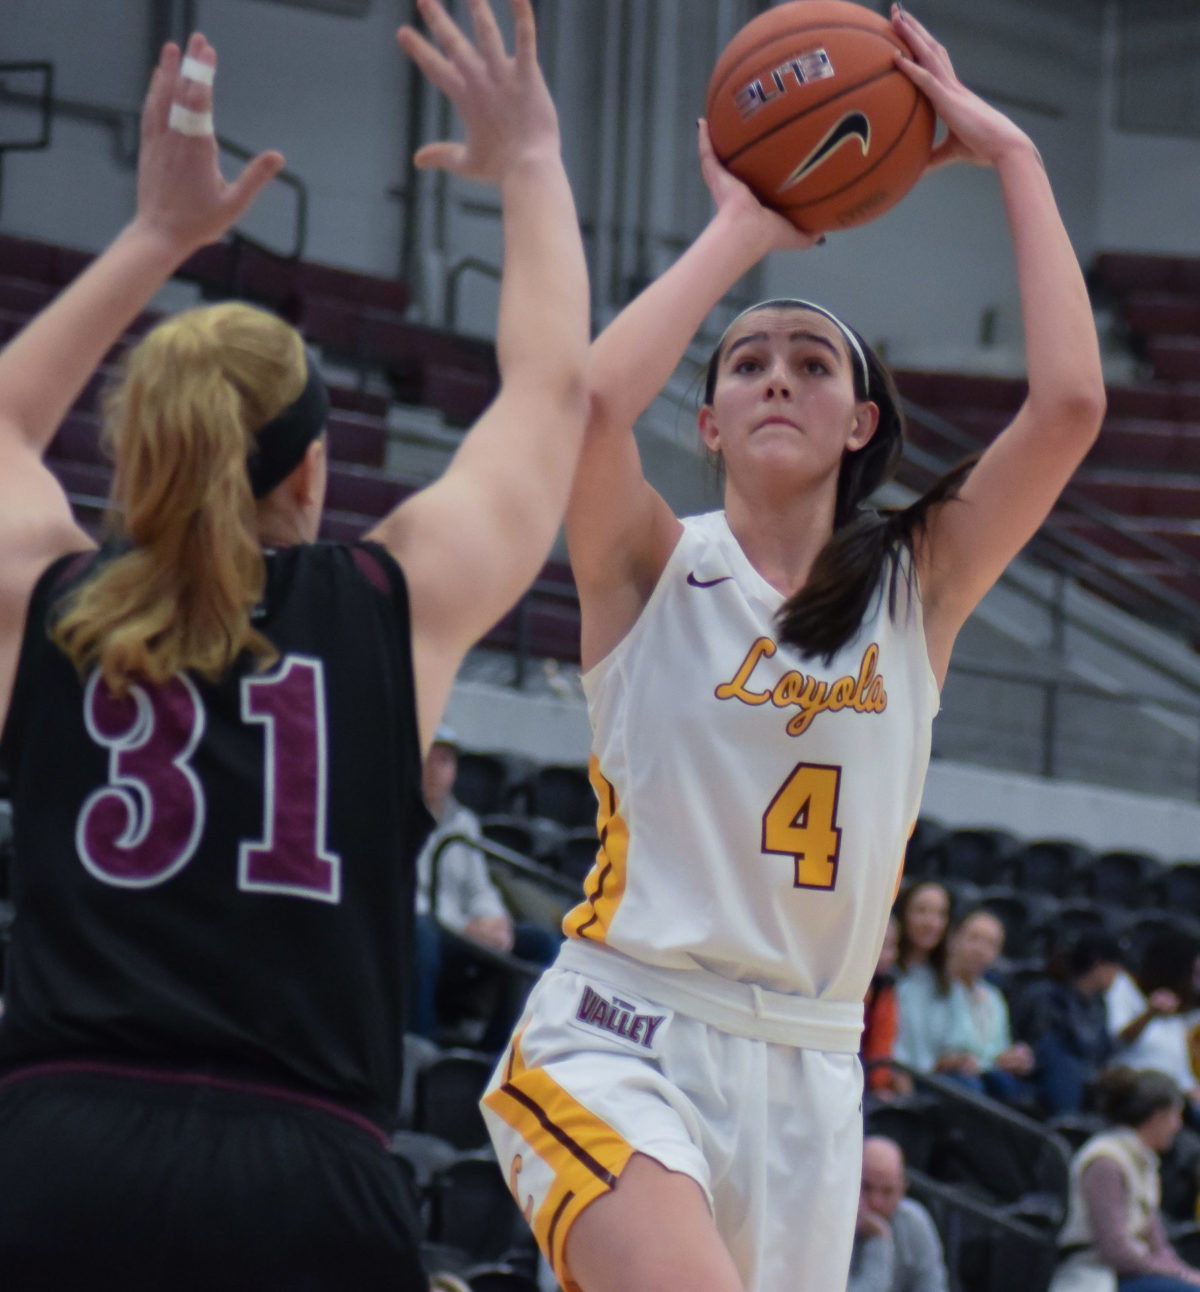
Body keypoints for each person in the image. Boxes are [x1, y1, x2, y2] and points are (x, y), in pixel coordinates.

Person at [481, 7, 1106, 1292]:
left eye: (811, 362)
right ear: (706, 419)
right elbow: (591, 402)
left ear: (860, 417)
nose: (777, 376)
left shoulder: (914, 588)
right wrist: (744, 232)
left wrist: (1018, 159)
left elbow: (1071, 405)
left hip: (816, 1075)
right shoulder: (653, 565)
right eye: (748, 362)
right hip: (623, 1029)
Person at [0, 1, 588, 1286]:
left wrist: (158, 236)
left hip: (56, 1155)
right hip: (303, 1172)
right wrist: (533, 163)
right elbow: (551, 390)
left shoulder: (45, 602)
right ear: (316, 469)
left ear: (139, 453)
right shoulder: (389, 603)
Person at [412, 725, 558, 1050]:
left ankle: (499, 1051)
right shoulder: (394, 815)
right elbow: (403, 894)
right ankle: (419, 1044)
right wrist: (464, 928)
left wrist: (497, 922)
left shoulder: (464, 823)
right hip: (421, 930)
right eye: (428, 760)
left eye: (445, 762)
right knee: (421, 935)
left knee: (542, 945)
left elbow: (481, 889)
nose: (436, 771)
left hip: (462, 932)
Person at [1050, 1068, 1200, 1291]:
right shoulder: (1106, 1161)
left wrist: (1187, 1274)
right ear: (1157, 1117)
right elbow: (1114, 1249)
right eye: (1175, 1116)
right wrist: (1176, 1276)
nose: (1177, 1126)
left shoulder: (1143, 1161)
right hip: (1095, 1274)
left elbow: (1158, 1245)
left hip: (1129, 1272)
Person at [1022, 932, 1123, 1116]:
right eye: (1114, 966)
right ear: (1098, 964)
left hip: (1084, 1073)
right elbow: (1041, 1044)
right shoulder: (1049, 995)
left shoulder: (1099, 1004)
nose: (1118, 974)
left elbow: (1102, 1049)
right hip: (1051, 1072)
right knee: (1066, 1066)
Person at [943, 907, 1036, 1105]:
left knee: (1011, 1087)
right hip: (944, 1076)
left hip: (983, 1077)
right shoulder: (936, 986)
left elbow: (997, 1051)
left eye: (991, 944)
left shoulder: (994, 997)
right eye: (974, 938)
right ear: (953, 939)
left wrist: (1011, 1058)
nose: (980, 949)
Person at [1107, 931, 1200, 1116]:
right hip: (1131, 1090)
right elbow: (1116, 1041)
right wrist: (1150, 1013)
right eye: (1195, 973)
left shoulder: (1183, 1016)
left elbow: (1180, 1070)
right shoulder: (1124, 988)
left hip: (1174, 1100)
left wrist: (1192, 1089)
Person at [848, 1136, 950, 1292]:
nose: (876, 1202)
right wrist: (879, 1239)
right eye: (866, 1187)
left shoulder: (915, 1221)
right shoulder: (829, 1224)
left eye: (887, 1191)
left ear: (902, 1189)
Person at [864, 916, 912, 1100]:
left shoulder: (885, 989)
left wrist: (879, 1085)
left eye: (892, 947)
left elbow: (881, 1046)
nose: (889, 955)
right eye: (882, 945)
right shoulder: (841, 987)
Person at [895, 880, 953, 980]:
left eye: (940, 913)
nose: (930, 923)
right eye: (921, 910)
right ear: (903, 914)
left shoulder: (950, 980)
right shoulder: (881, 969)